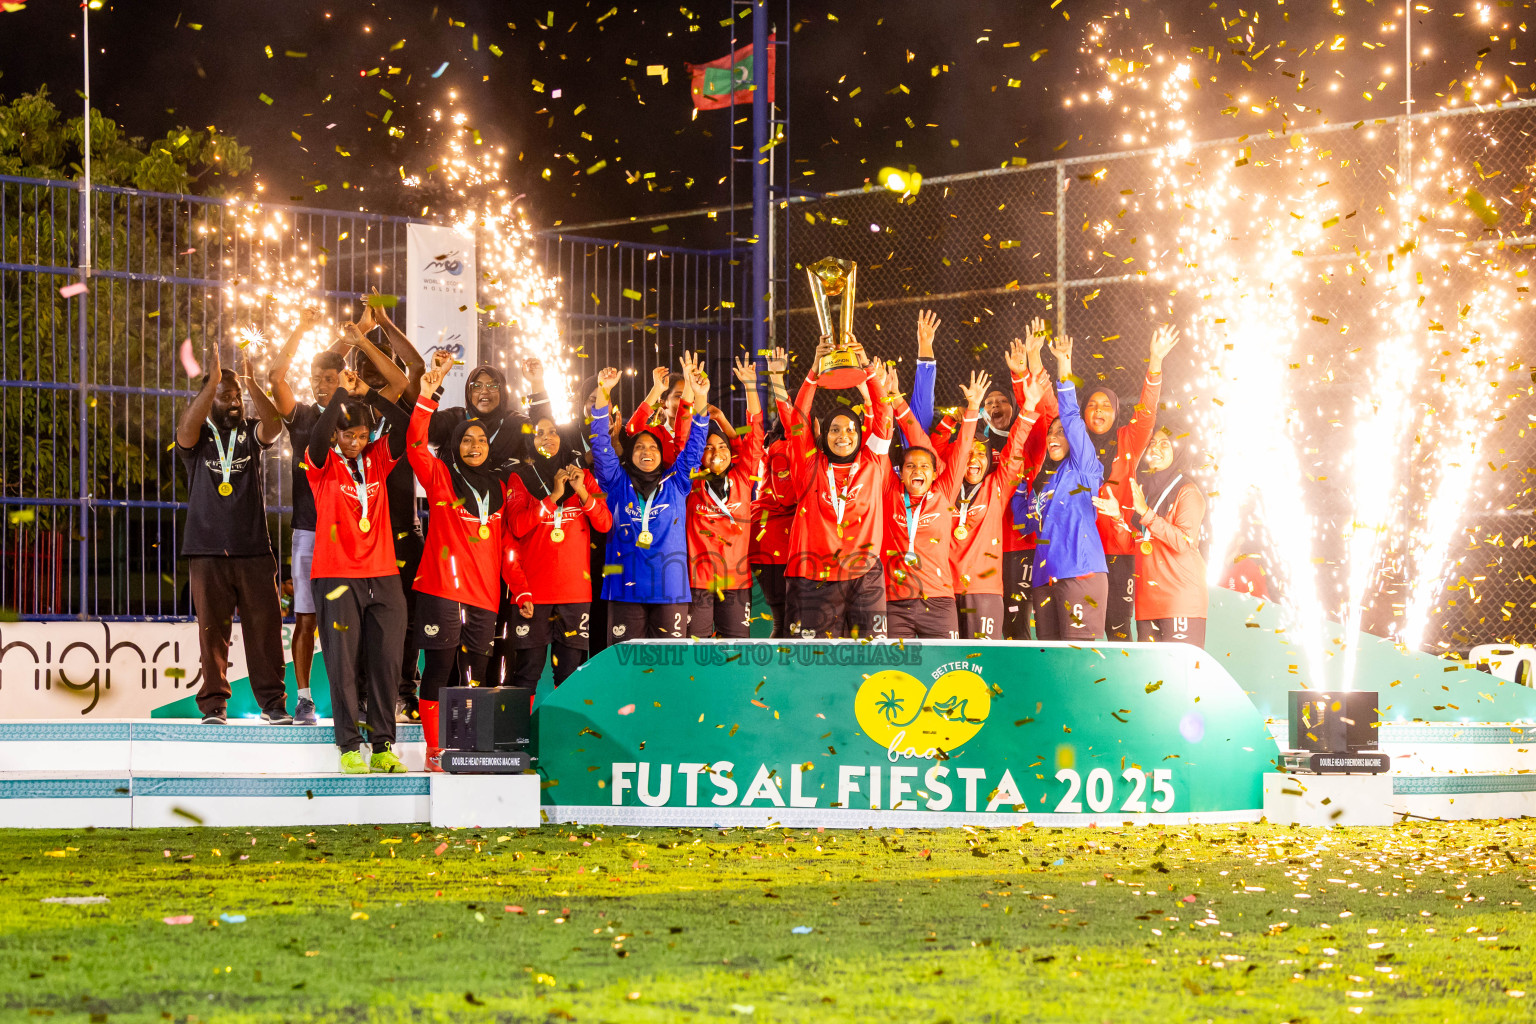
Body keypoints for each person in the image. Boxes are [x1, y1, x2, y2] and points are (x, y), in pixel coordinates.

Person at [405, 352, 535, 769]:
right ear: (456, 445)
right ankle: (433, 749)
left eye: (481, 441)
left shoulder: (498, 488)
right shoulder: (442, 477)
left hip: (484, 596)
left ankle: (468, 746)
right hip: (442, 590)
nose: (475, 446)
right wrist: (427, 395)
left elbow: (505, 549)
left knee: (475, 674)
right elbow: (414, 446)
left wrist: (522, 588)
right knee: (440, 669)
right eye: (467, 440)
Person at [305, 352, 411, 774]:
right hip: (336, 575)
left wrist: (369, 394)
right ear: (337, 435)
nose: (355, 442)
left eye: (362, 434)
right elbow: (316, 439)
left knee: (387, 663)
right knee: (343, 664)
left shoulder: (378, 460)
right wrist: (342, 397)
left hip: (383, 574)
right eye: (347, 434)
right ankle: (349, 745)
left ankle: (384, 745)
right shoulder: (322, 465)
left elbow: (405, 427)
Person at [175, 344, 289, 726]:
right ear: (211, 400)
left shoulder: (247, 432)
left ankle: (273, 704)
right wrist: (212, 384)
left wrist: (253, 382)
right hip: (206, 548)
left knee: (265, 631)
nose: (234, 401)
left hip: (254, 548)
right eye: (226, 396)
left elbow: (273, 425)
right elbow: (184, 431)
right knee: (212, 633)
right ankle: (214, 705)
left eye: (236, 395)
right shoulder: (199, 436)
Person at [778, 336, 893, 639]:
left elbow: (883, 416)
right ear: (824, 435)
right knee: (812, 661)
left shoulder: (873, 461)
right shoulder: (808, 464)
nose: (844, 435)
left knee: (872, 655)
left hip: (864, 574)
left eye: (852, 429)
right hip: (813, 577)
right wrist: (814, 374)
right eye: (835, 429)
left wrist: (868, 369)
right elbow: (798, 421)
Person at [931, 345, 1049, 640]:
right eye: (990, 402)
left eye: (981, 455)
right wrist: (956, 418)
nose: (974, 460)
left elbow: (1020, 441)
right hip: (950, 582)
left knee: (1016, 629)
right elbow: (937, 452)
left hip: (1008, 557)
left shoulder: (998, 481)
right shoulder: (948, 486)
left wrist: (1027, 391)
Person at [591, 354, 711, 642]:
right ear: (630, 455)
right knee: (625, 668)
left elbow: (695, 446)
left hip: (669, 589)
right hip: (623, 588)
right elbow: (600, 442)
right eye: (640, 447)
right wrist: (603, 391)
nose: (647, 451)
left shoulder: (677, 482)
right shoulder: (616, 481)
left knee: (670, 669)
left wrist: (701, 396)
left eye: (654, 447)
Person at [268, 307, 347, 725]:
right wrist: (300, 326)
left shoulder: (352, 417)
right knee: (306, 617)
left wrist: (361, 336)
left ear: (342, 381)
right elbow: (275, 379)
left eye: (329, 378)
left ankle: (353, 697)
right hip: (309, 531)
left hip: (351, 535)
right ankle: (303, 698)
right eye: (316, 377)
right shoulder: (299, 416)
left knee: (348, 620)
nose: (320, 383)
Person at [1082, 324, 1180, 641]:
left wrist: (1155, 362)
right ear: (1082, 413)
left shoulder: (1128, 440)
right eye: (1092, 405)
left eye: (1106, 405)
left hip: (1118, 549)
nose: (1098, 410)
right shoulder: (1074, 443)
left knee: (1118, 628)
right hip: (1081, 550)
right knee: (1080, 632)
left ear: (1116, 413)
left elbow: (1147, 411)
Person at [507, 412, 612, 687]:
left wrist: (582, 492)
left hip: (575, 594)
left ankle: (563, 732)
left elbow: (604, 523)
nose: (547, 437)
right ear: (530, 442)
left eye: (552, 431)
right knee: (527, 674)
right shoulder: (520, 478)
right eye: (539, 433)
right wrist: (553, 496)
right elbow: (517, 526)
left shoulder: (583, 477)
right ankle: (520, 732)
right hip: (534, 593)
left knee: (569, 677)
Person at [1018, 332, 1109, 640]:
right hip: (1045, 578)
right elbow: (1022, 524)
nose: (1055, 436)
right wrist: (1019, 479)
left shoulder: (1084, 466)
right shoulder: (1045, 481)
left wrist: (1063, 363)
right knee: (1049, 660)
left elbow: (1068, 415)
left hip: (1080, 571)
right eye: (1051, 433)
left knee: (1079, 659)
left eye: (1063, 432)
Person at [882, 368, 985, 639]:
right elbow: (879, 448)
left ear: (934, 472)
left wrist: (973, 408)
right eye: (911, 466)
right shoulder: (889, 493)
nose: (918, 471)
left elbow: (962, 450)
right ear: (900, 472)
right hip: (895, 602)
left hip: (939, 601)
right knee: (896, 672)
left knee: (944, 669)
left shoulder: (944, 492)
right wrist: (883, 399)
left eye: (925, 466)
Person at [1096, 422, 1209, 647]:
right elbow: (1133, 543)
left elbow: (1183, 542)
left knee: (1177, 677)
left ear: (1179, 450)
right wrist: (1118, 517)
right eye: (1153, 443)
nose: (1155, 448)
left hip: (1180, 600)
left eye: (1165, 444)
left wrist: (1146, 514)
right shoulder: (1145, 491)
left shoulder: (1188, 492)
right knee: (1152, 679)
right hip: (1147, 604)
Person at [686, 357, 765, 638]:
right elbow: (690, 440)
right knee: (696, 653)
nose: (716, 451)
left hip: (736, 582)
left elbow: (755, 434)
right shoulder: (692, 483)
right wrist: (698, 396)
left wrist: (750, 386)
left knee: (736, 650)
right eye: (709, 447)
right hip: (699, 583)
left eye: (721, 446)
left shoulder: (742, 476)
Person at [751, 349, 797, 637]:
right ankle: (779, 678)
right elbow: (787, 498)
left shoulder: (786, 445)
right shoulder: (782, 448)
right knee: (783, 620)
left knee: (787, 620)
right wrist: (777, 378)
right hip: (773, 538)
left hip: (778, 538)